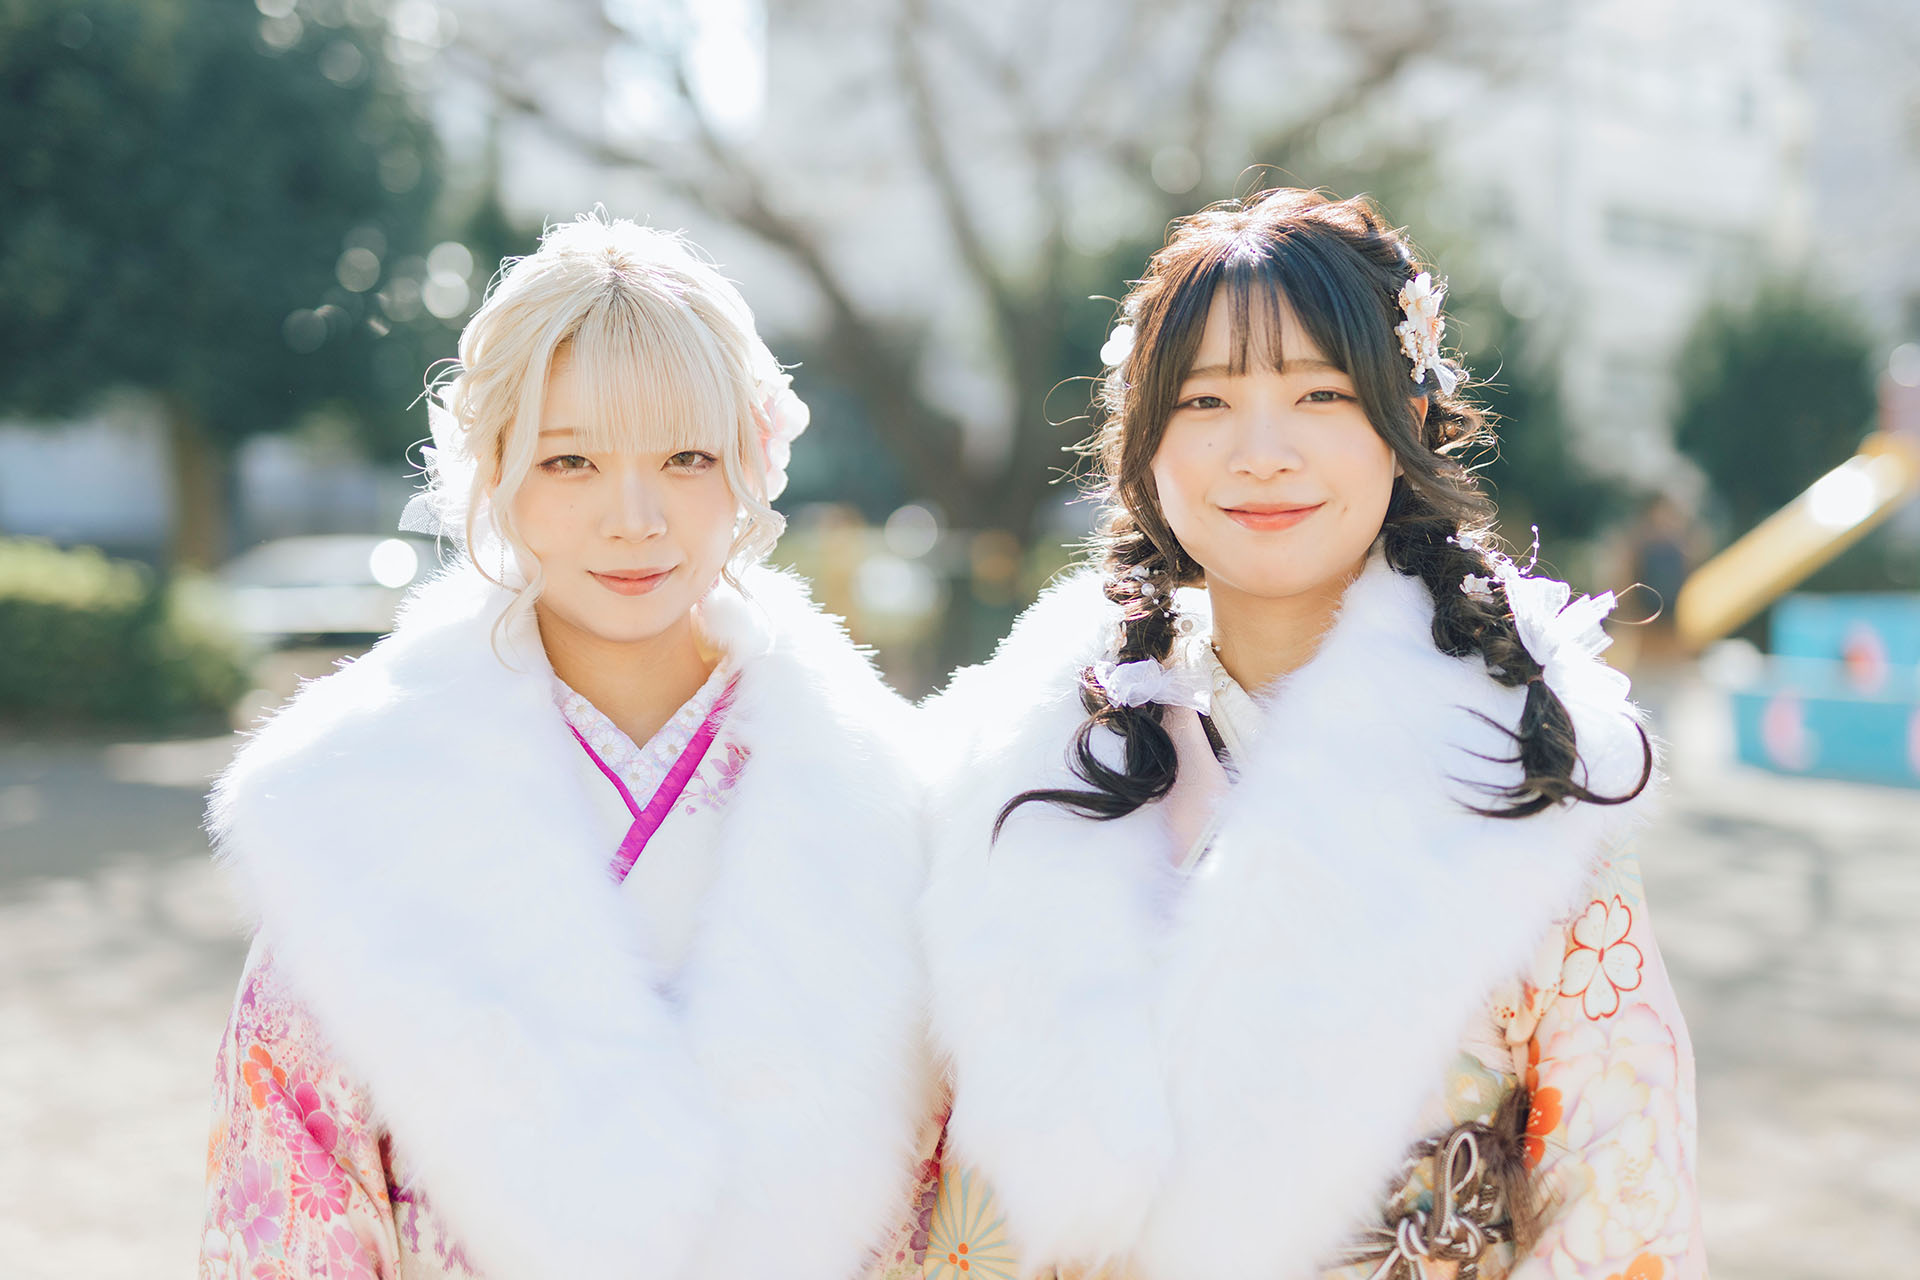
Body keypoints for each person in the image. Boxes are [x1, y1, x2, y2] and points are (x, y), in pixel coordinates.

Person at [916, 189, 1702, 1280]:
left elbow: (1621, 1198)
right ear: (1144, 441)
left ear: (1406, 415)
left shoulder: (1524, 763)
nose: (1263, 452)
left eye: (1321, 393)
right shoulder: (1015, 754)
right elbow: (916, 1179)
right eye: (1206, 400)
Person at [200, 214, 935, 1280]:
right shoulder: (360, 812)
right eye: (572, 460)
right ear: (494, 466)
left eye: (685, 457)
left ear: (751, 462)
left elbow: (958, 1213)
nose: (634, 517)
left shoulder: (896, 810)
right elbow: (290, 1209)